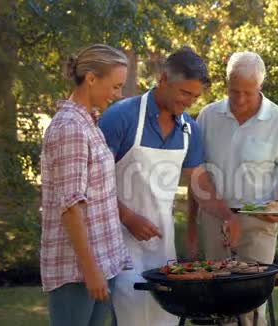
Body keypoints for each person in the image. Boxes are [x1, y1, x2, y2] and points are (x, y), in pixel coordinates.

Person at [98, 47, 240, 326]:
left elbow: (200, 182)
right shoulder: (121, 117)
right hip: (118, 245)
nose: (189, 102)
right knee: (131, 317)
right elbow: (94, 182)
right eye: (185, 93)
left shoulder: (189, 129)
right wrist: (126, 216)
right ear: (163, 79)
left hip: (163, 249)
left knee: (166, 319)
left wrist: (227, 216)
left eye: (195, 97)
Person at [193, 51, 278, 325]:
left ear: (260, 87)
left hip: (258, 222)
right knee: (217, 302)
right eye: (234, 91)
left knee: (251, 305)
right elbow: (197, 176)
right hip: (213, 219)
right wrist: (193, 231)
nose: (240, 99)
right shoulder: (208, 116)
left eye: (248, 92)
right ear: (225, 84)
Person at [40, 44, 130, 326]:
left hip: (102, 261)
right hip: (77, 269)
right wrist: (91, 270)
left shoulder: (88, 122)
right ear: (91, 78)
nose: (118, 95)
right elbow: (70, 207)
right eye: (115, 87)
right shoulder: (70, 128)